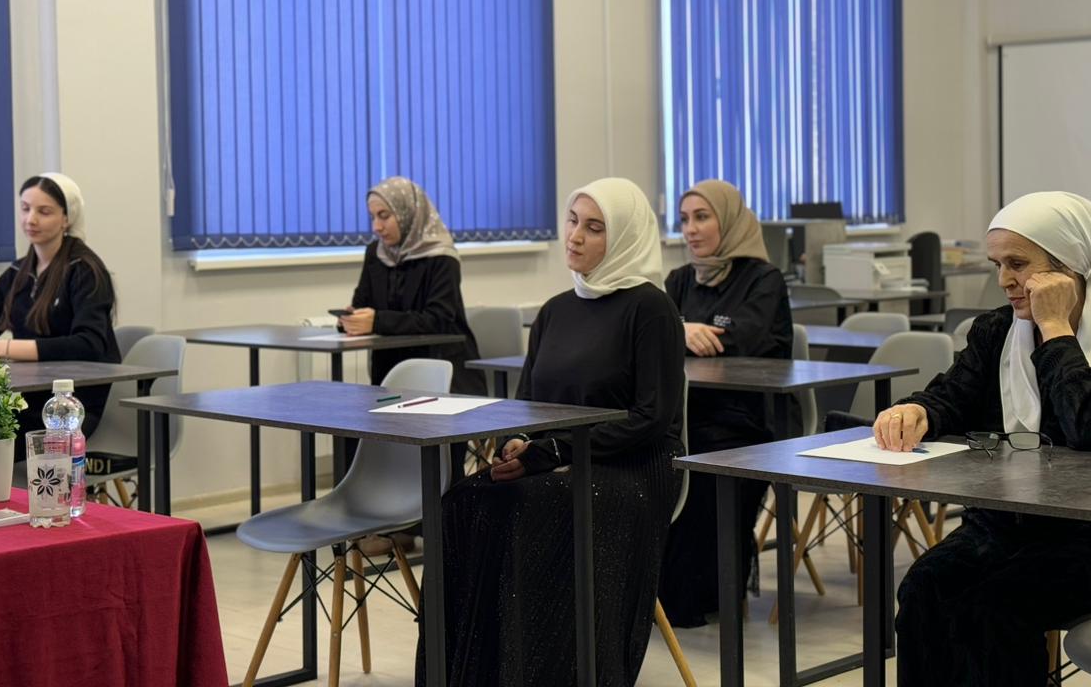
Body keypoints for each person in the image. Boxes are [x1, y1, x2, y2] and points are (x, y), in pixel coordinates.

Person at [417, 177, 684, 687]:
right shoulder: (556, 310)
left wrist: (553, 452)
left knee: (530, 507)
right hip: (557, 456)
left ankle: (538, 671)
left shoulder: (652, 309)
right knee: (461, 504)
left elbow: (651, 418)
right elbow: (528, 404)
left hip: (631, 466)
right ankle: (471, 672)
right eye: (572, 221)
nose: (575, 236)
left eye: (595, 227)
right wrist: (517, 444)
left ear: (624, 237)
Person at [875, 190, 1091, 687]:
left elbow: (1088, 427)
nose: (1004, 281)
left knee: (992, 609)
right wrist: (917, 410)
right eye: (998, 265)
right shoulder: (997, 330)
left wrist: (1056, 329)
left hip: (1089, 536)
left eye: (1018, 264)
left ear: (1069, 266)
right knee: (923, 589)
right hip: (1007, 523)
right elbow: (952, 396)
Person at [657, 179, 793, 627]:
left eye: (702, 217)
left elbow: (738, 341)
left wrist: (683, 331)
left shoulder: (764, 279)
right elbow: (654, 332)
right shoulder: (680, 279)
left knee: (703, 474)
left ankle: (696, 599)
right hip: (688, 415)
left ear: (729, 221)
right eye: (684, 220)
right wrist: (680, 329)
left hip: (747, 423)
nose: (690, 229)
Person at [0, 174, 120, 465]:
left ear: (66, 218)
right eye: (25, 208)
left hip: (71, 408)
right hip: (28, 402)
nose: (30, 219)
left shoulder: (85, 270)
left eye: (44, 212)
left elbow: (89, 344)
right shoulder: (18, 272)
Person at [338, 177, 483, 396]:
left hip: (442, 368)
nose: (377, 227)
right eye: (372, 217)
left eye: (384, 216)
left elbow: (438, 319)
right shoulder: (375, 254)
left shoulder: (442, 257)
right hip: (388, 370)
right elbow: (361, 304)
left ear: (407, 213)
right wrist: (351, 320)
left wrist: (376, 321)